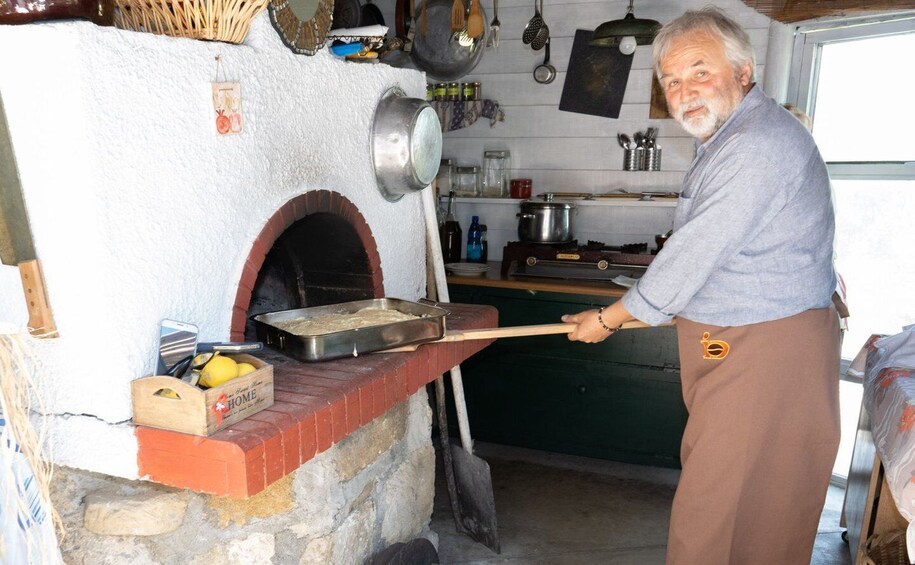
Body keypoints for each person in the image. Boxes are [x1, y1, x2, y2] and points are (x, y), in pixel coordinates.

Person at [562, 7, 840, 564]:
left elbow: (694, 252)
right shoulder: (726, 139)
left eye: (699, 72)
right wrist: (635, 308)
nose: (684, 91)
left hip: (767, 350)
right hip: (745, 339)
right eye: (671, 81)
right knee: (750, 502)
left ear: (743, 71)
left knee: (722, 508)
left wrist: (609, 318)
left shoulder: (755, 144)